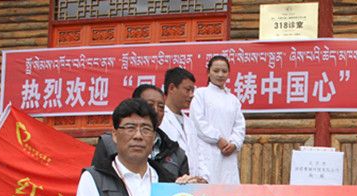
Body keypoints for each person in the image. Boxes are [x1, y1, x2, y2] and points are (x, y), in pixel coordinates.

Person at [91, 84, 202, 183]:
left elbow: (180, 193)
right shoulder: (108, 142)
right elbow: (98, 179)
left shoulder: (176, 152)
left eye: (161, 107)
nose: (156, 111)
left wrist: (191, 186)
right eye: (150, 105)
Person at [190, 55, 246, 184]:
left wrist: (234, 143)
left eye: (224, 71)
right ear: (208, 72)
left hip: (228, 156)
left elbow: (239, 126)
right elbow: (198, 122)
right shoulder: (200, 94)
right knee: (207, 189)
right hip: (207, 153)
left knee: (228, 191)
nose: (220, 74)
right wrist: (218, 138)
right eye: (216, 71)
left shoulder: (233, 100)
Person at [160, 67, 209, 182]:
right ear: (172, 88)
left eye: (193, 91)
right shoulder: (161, 120)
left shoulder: (189, 122)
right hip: (171, 182)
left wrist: (203, 178)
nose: (191, 95)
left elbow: (199, 154)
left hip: (192, 184)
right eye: (188, 90)